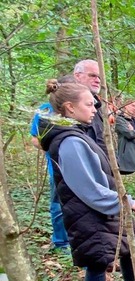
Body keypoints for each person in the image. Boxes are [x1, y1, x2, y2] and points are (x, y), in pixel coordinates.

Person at [39, 80, 135, 281]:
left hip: (100, 208)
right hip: (88, 211)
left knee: (125, 244)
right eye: (89, 104)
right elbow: (88, 188)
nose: (94, 109)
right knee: (97, 258)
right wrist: (126, 202)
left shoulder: (75, 133)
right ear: (70, 107)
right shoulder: (69, 141)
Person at [30, 74, 77, 253]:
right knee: (58, 202)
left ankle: (74, 238)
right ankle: (60, 242)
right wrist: (54, 149)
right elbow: (35, 138)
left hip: (77, 166)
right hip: (56, 166)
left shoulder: (77, 108)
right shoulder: (45, 111)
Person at [73, 59, 108, 154]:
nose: (97, 80)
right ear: (77, 76)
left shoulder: (97, 106)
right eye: (92, 75)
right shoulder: (62, 103)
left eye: (99, 77)